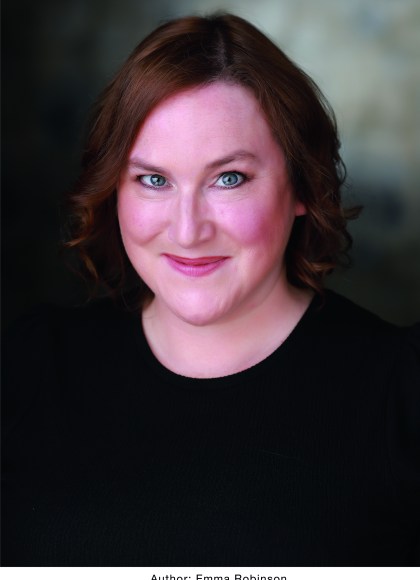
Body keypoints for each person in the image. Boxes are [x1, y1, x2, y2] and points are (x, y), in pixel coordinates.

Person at [2, 13, 419, 566]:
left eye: (229, 178)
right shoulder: (31, 363)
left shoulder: (400, 395)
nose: (187, 230)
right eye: (154, 180)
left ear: (302, 186)